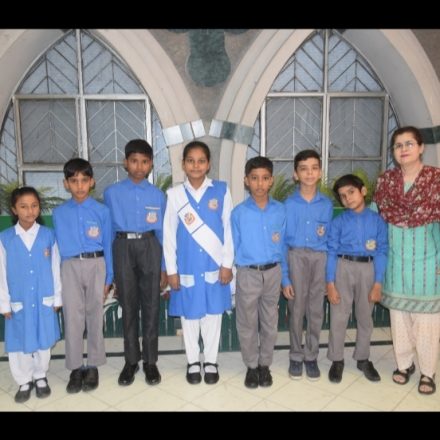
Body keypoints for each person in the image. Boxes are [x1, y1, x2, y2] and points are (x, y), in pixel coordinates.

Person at [373, 126, 440, 395]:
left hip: (428, 262)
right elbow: (376, 217)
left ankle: (428, 372)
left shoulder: (436, 180)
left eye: (409, 144)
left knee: (427, 322)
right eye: (398, 145)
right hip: (396, 260)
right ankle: (404, 365)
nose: (403, 149)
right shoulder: (386, 182)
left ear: (421, 147)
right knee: (399, 318)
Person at [163, 140, 234, 385]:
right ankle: (193, 361)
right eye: (190, 161)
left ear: (209, 164)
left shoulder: (221, 191)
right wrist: (171, 270)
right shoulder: (174, 195)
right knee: (189, 316)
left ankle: (211, 361)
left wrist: (227, 264)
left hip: (214, 265)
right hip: (187, 265)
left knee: (213, 315)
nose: (196, 165)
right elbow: (169, 235)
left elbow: (229, 230)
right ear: (183, 164)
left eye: (201, 161)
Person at [104, 139, 167, 387]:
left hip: (150, 246)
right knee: (128, 307)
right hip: (123, 247)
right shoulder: (112, 193)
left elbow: (162, 233)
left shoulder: (158, 195)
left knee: (151, 306)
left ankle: (150, 361)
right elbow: (108, 233)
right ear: (125, 162)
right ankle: (131, 361)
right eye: (134, 161)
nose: (139, 167)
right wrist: (110, 272)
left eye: (144, 162)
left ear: (151, 164)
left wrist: (164, 267)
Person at [52, 158, 113, 394]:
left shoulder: (102, 211)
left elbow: (108, 245)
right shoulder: (59, 213)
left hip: (96, 264)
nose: (79, 186)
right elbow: (56, 248)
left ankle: (94, 365)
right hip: (69, 266)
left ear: (92, 182)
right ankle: (75, 368)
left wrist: (109, 278)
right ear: (65, 183)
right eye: (74, 181)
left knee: (95, 316)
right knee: (73, 318)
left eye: (84, 180)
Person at [0, 187, 61, 403]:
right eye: (23, 206)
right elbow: (1, 272)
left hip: (44, 297)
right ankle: (24, 380)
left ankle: (40, 375)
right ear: (14, 209)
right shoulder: (5, 239)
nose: (30, 211)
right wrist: (4, 303)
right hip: (19, 300)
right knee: (20, 341)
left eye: (34, 206)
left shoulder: (48, 236)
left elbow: (55, 267)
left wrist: (57, 297)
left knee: (43, 339)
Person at [231, 156, 287, 389]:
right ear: (246, 180)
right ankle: (252, 366)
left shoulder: (280, 211)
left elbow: (283, 246)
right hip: (248, 273)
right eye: (254, 178)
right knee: (247, 322)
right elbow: (233, 246)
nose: (260, 183)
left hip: (273, 272)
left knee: (270, 321)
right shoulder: (238, 213)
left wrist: (285, 278)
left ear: (271, 180)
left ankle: (265, 364)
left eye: (265, 178)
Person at [326, 174, 388, 384]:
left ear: (363, 191)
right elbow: (331, 251)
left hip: (368, 269)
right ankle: (337, 359)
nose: (348, 198)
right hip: (343, 267)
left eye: (351, 192)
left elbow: (382, 251)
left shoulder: (377, 221)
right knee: (339, 316)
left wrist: (378, 282)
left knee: (365, 317)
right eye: (343, 196)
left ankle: (363, 358)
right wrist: (330, 283)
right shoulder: (338, 222)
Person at [282, 150, 333, 381]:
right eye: (303, 169)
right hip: (296, 257)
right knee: (296, 308)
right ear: (296, 174)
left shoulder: (327, 204)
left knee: (316, 310)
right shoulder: (288, 204)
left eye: (314, 168)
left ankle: (311, 356)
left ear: (320, 172)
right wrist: (285, 277)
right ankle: (295, 355)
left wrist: (329, 276)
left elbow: (329, 240)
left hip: (319, 258)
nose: (309, 173)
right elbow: (282, 243)